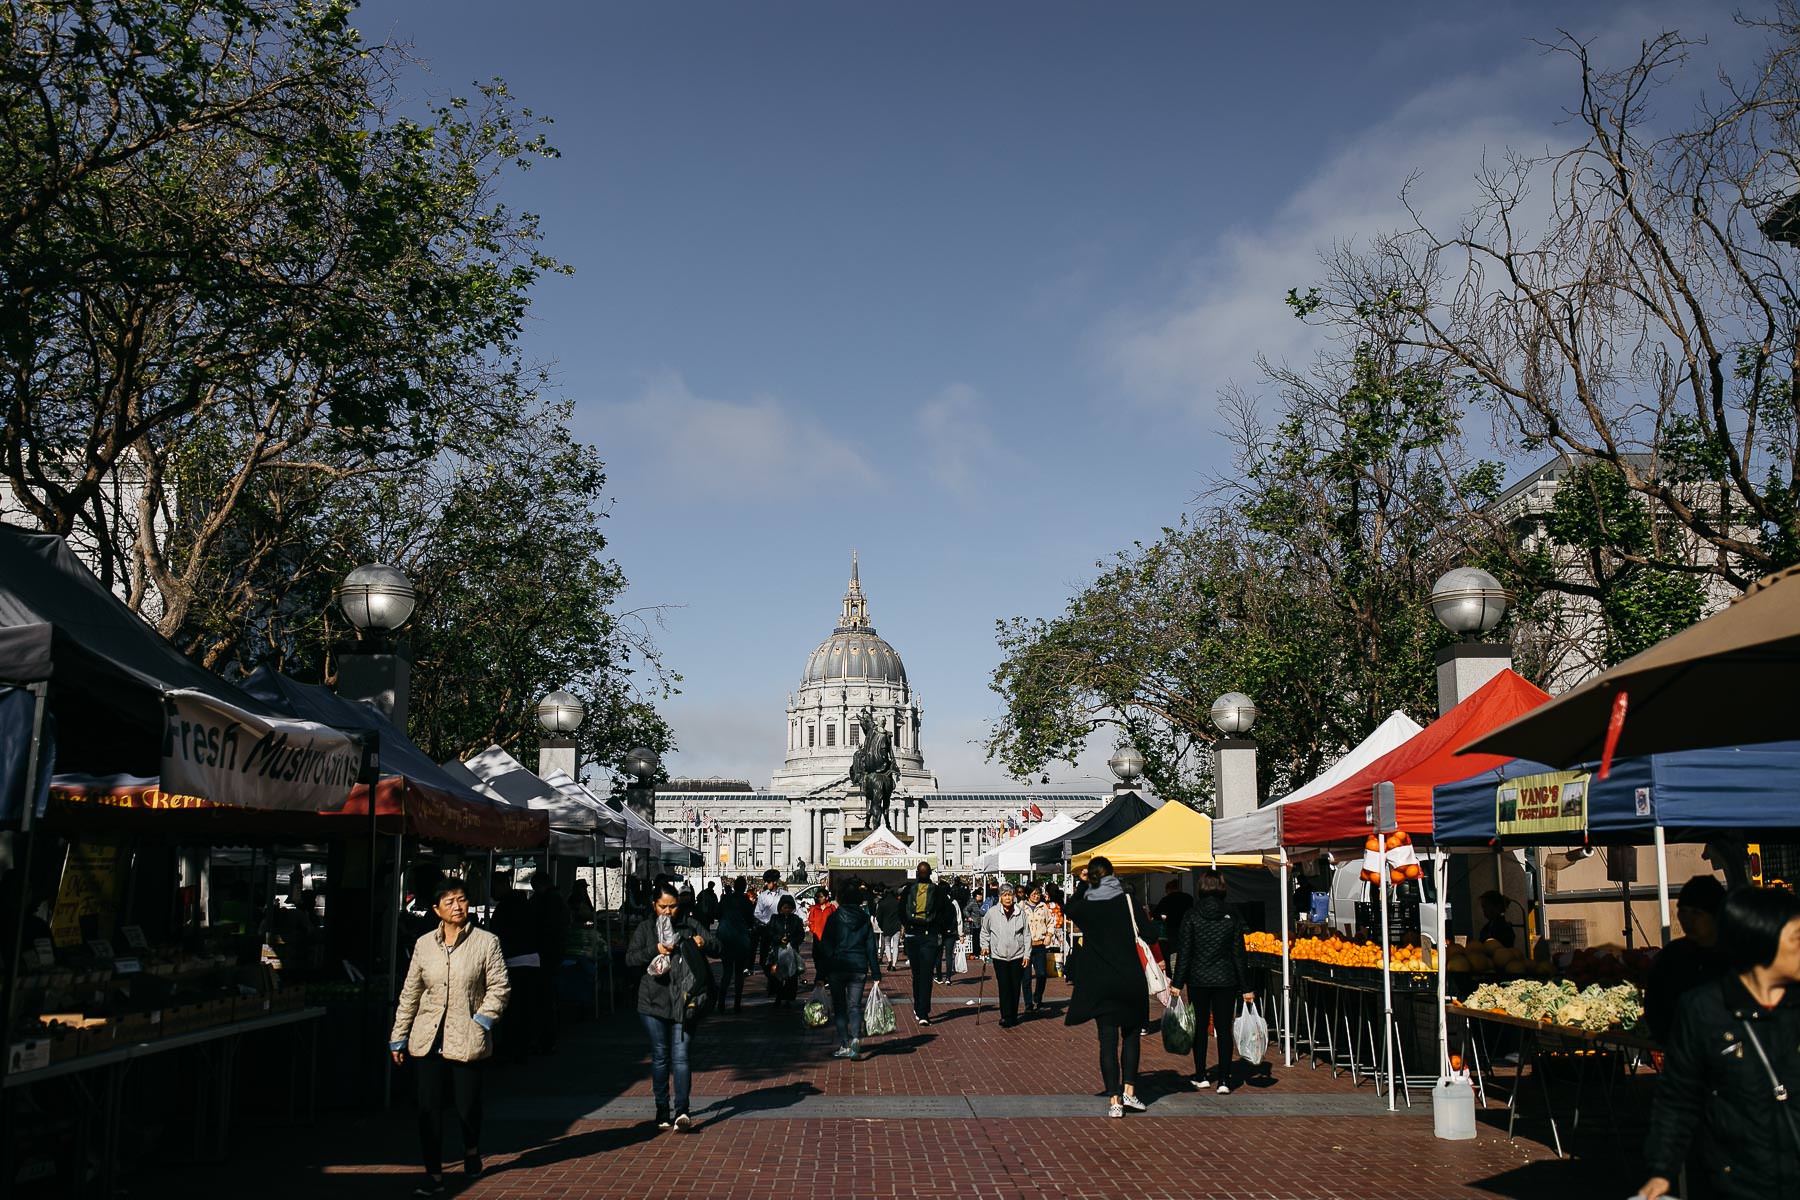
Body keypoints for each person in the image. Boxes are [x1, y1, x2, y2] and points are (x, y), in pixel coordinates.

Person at [1639, 886, 1800, 1200]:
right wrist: (1662, 1168)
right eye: (1796, 939)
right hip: (1737, 1179)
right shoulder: (1704, 1008)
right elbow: (1678, 1098)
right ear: (1762, 940)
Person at [389, 877, 511, 1196]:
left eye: (462, 900)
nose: (457, 907)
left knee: (466, 1106)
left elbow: (499, 987)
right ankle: (434, 1174)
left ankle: (471, 1149)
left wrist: (483, 1019)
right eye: (450, 902)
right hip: (427, 1036)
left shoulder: (486, 942)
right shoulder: (424, 944)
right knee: (428, 1108)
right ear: (436, 909)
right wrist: (399, 1036)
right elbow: (411, 992)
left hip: (466, 1035)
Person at [626, 880, 719, 1131]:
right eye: (662, 907)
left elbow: (718, 947)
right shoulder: (646, 929)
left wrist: (704, 942)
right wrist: (654, 949)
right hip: (653, 1001)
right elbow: (630, 958)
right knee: (660, 1057)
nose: (668, 912)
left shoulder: (689, 926)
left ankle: (682, 1110)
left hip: (685, 1001)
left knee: (681, 1057)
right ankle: (661, 1109)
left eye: (673, 906)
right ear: (653, 905)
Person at [1064, 856, 1149, 1118]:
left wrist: (1082, 886)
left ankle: (1114, 1100)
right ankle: (1130, 1092)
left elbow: (1069, 908)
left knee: (1107, 1042)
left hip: (1100, 983)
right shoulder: (1127, 901)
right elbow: (1150, 933)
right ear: (1113, 874)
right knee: (1131, 1037)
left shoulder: (1087, 905)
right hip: (1130, 979)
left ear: (1090, 877)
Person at [1174, 868, 1255, 1093]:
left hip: (1198, 978)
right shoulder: (1232, 914)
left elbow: (1185, 951)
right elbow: (1239, 954)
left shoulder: (1191, 914)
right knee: (1223, 1028)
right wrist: (1246, 986)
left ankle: (1201, 1075)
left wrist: (1177, 982)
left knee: (1199, 1028)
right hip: (1226, 979)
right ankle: (1225, 1080)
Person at [1645, 875, 1729, 1045]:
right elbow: (1655, 1005)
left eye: (1696, 913)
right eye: (1682, 911)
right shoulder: (1672, 956)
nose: (1686, 919)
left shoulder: (1738, 955)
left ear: (1715, 915)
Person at [820, 881, 882, 1058]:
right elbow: (871, 947)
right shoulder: (864, 919)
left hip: (837, 966)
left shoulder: (833, 918)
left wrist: (820, 974)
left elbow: (826, 947)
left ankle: (844, 1043)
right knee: (855, 1005)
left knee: (839, 1007)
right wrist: (876, 972)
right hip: (858, 965)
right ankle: (856, 1038)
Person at [900, 861, 952, 1025]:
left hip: (913, 935)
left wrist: (908, 926)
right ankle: (924, 1012)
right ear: (930, 874)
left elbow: (900, 911)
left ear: (917, 874)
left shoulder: (908, 890)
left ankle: (917, 1007)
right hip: (930, 935)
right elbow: (948, 912)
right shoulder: (938, 891)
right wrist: (940, 929)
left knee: (917, 974)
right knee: (927, 974)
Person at [527, 872, 568, 1051]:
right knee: (546, 997)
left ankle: (545, 1038)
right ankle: (546, 1037)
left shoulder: (547, 901)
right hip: (552, 954)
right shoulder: (556, 900)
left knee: (544, 998)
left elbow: (545, 928)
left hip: (544, 955)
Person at [982, 885, 1031, 1028]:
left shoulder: (1020, 913)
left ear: (1014, 896)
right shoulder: (992, 913)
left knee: (1015, 986)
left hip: (1017, 955)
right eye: (1004, 895)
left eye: (1010, 895)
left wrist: (1027, 954)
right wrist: (985, 946)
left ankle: (1014, 1015)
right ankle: (1005, 1016)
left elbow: (1027, 935)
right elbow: (985, 931)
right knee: (1004, 986)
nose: (1008, 898)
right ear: (1000, 897)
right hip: (1000, 955)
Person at [715, 879, 754, 1011]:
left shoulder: (725, 899)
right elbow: (750, 920)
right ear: (744, 888)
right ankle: (737, 1003)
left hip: (725, 938)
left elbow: (717, 914)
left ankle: (721, 1002)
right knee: (738, 973)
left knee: (726, 972)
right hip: (740, 939)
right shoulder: (746, 902)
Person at [764, 894, 807, 1007]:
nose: (787, 910)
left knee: (791, 975)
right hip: (778, 950)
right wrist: (779, 939)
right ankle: (777, 995)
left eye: (789, 908)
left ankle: (788, 997)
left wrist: (792, 941)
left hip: (791, 950)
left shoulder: (796, 920)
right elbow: (769, 933)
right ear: (780, 908)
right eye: (785, 907)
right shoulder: (775, 919)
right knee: (777, 974)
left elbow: (801, 935)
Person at [1022, 884, 1055, 1013]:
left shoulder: (1043, 907)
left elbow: (1050, 922)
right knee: (1026, 978)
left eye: (1038, 894)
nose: (1036, 896)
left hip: (1040, 945)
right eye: (1033, 894)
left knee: (1041, 974)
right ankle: (1028, 1004)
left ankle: (1038, 997)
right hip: (1025, 947)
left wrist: (1049, 935)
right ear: (1027, 895)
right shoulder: (1021, 907)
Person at [1154, 879, 1194, 973]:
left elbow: (1156, 914)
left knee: (1170, 954)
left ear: (1169, 889)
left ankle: (1171, 975)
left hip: (1170, 931)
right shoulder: (1188, 898)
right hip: (1185, 930)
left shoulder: (1166, 900)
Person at [753, 869, 789, 970]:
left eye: (768, 882)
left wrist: (803, 919)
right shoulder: (763, 896)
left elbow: (795, 909)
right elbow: (757, 912)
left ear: (775, 882)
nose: (766, 884)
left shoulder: (785, 895)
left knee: (780, 958)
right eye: (765, 881)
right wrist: (766, 921)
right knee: (764, 960)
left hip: (781, 930)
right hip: (767, 931)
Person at [806, 887, 837, 987]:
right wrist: (813, 929)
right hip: (817, 937)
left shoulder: (831, 908)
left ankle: (822, 977)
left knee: (828, 958)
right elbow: (811, 921)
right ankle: (821, 976)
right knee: (817, 957)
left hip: (829, 938)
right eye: (817, 897)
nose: (819, 898)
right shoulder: (814, 908)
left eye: (821, 897)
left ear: (826, 897)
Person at [875, 883, 903, 969]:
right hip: (896, 925)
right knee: (895, 945)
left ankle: (889, 959)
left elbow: (878, 916)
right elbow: (901, 914)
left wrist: (881, 925)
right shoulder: (898, 903)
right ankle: (894, 964)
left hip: (886, 926)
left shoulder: (882, 903)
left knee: (887, 944)